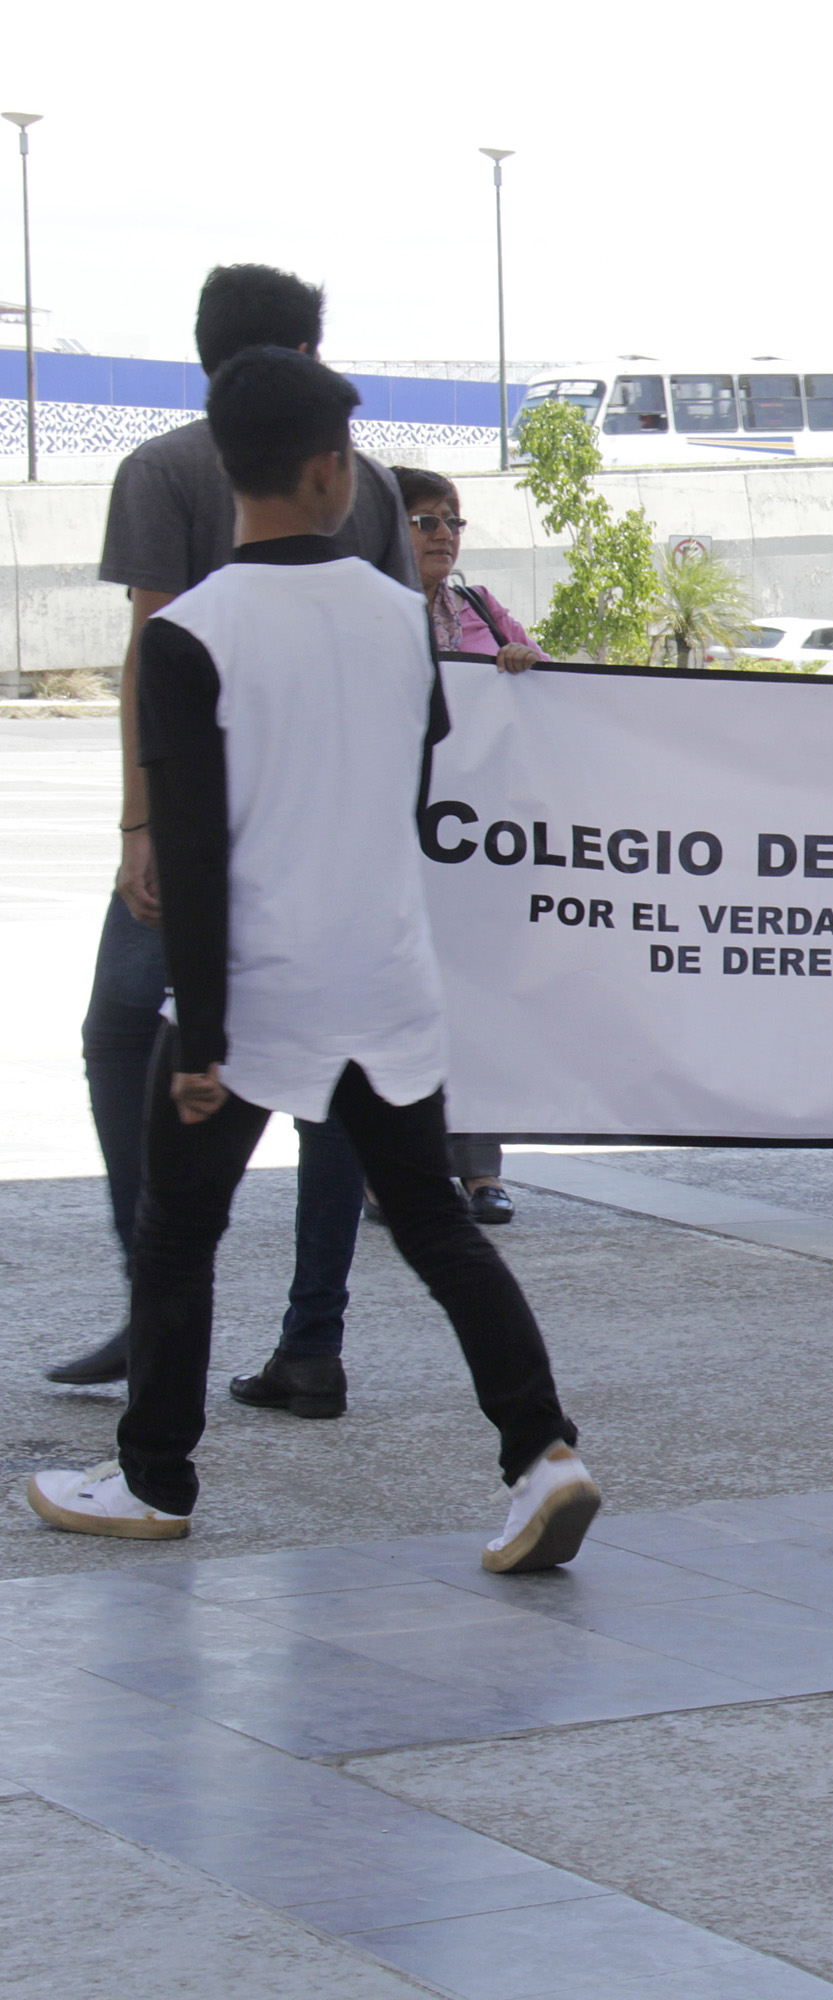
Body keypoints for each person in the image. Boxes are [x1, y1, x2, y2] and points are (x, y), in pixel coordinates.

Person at [23, 349, 600, 1572]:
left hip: (254, 986)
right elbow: (414, 784)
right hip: (385, 977)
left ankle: (151, 1477)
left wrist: (208, 1044)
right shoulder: (403, 622)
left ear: (231, 467)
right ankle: (543, 1451)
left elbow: (187, 845)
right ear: (334, 472)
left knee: (181, 1230)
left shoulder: (190, 635)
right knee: (439, 1227)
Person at [49, 264, 420, 1421]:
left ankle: (154, 1297)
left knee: (133, 1037)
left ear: (202, 352)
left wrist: (139, 824)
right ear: (313, 350)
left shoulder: (161, 466)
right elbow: (412, 650)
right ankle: (313, 1333)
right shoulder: (360, 477)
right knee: (340, 1082)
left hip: (202, 817)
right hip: (338, 835)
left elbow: (150, 650)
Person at [396, 464, 540, 1226]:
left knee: (477, 1002)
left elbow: (558, 701)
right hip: (393, 845)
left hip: (477, 847)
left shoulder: (481, 609)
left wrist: (522, 665)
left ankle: (481, 1172)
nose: (443, 534)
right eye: (425, 520)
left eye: (452, 520)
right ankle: (393, 1174)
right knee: (401, 1009)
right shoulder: (372, 617)